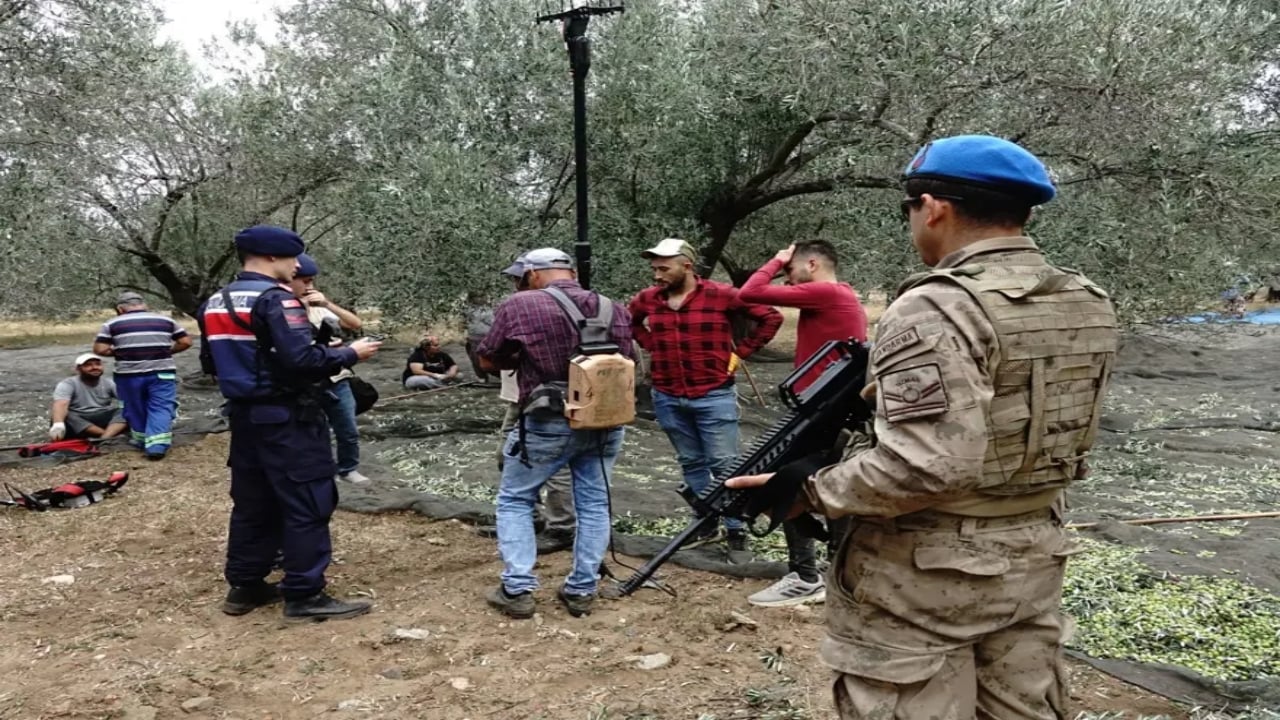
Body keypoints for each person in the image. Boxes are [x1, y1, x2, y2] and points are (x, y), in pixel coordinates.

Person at [727, 135, 1119, 719]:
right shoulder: (1087, 299)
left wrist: (808, 490)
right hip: (1033, 551)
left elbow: (928, 464)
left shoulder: (938, 306)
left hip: (926, 571)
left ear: (933, 207)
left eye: (908, 209)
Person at [196, 224, 382, 622]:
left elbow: (209, 363)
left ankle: (244, 586)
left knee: (252, 503)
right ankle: (304, 592)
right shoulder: (276, 300)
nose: (297, 266)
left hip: (244, 418)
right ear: (270, 258)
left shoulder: (214, 302)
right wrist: (351, 353)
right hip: (288, 419)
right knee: (308, 501)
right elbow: (303, 362)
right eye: (292, 259)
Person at [475, 247, 633, 619]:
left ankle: (517, 589)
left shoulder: (523, 303)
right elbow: (628, 360)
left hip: (550, 419)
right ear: (571, 272)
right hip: (605, 419)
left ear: (532, 274)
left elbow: (488, 357)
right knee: (594, 504)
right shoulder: (614, 306)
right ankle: (581, 589)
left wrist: (526, 360)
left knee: (515, 498)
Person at [628, 238, 782, 563]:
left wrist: (741, 353)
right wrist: (652, 343)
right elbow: (630, 323)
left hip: (713, 393)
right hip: (668, 394)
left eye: (663, 268)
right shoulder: (648, 299)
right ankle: (706, 517)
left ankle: (736, 528)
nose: (656, 275)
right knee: (691, 463)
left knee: (725, 464)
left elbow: (770, 317)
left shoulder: (721, 295)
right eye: (654, 268)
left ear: (687, 266)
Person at [737, 239, 869, 607]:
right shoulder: (835, 295)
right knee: (817, 484)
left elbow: (750, 293)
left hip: (822, 410)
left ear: (812, 264)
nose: (787, 278)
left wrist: (775, 258)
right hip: (822, 407)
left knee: (792, 483)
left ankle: (808, 576)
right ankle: (831, 573)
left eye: (791, 270)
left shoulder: (826, 292)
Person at [494, 255, 576, 555]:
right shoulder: (517, 308)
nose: (517, 284)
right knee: (508, 455)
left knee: (555, 466)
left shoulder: (547, 309)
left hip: (546, 400)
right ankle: (528, 517)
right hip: (519, 396)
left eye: (521, 277)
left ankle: (561, 527)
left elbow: (491, 353)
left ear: (534, 276)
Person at [290, 253, 370, 485]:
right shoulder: (284, 308)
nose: (310, 287)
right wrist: (301, 308)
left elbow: (355, 324)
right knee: (312, 429)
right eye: (305, 282)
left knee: (348, 427)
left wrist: (326, 303)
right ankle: (319, 468)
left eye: (312, 282)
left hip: (336, 376)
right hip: (305, 381)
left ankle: (348, 468)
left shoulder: (320, 308)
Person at [92, 291, 192, 459]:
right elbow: (186, 342)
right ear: (144, 305)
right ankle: (157, 446)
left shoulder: (112, 324)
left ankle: (141, 440)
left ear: (120, 309)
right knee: (161, 406)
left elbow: (100, 349)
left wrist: (121, 352)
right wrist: (167, 351)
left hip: (128, 375)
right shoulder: (166, 320)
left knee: (134, 406)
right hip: (162, 373)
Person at [48, 353, 128, 442]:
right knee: (64, 415)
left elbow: (126, 399)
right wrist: (58, 424)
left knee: (126, 409)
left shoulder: (109, 383)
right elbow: (61, 404)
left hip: (102, 416)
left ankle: (104, 438)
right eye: (88, 365)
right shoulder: (68, 384)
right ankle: (108, 436)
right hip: (79, 420)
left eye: (98, 364)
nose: (94, 367)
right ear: (78, 369)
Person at [463, 291, 498, 385]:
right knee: (475, 357)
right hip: (473, 337)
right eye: (476, 297)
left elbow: (494, 322)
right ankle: (481, 376)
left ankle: (498, 374)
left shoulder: (490, 308)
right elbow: (464, 323)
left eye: (482, 296)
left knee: (490, 357)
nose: (480, 299)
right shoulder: (467, 309)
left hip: (488, 336)